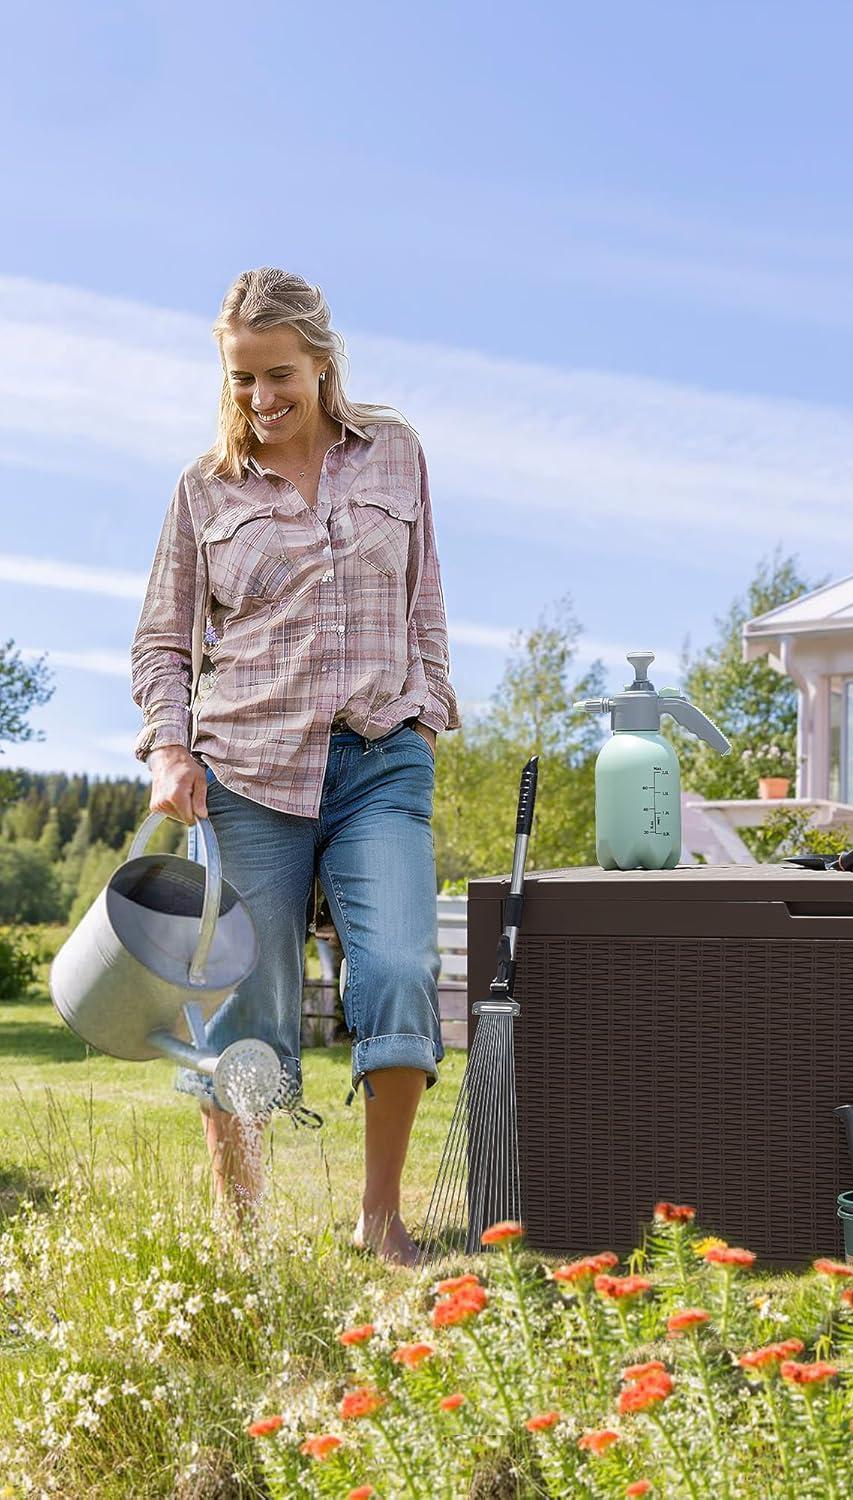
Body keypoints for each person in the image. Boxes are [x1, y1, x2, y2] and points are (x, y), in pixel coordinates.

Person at [130, 267, 458, 1264]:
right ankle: (246, 1240)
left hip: (377, 761)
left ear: (322, 362)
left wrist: (428, 713)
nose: (262, 400)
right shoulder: (204, 490)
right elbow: (163, 644)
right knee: (247, 1002)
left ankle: (382, 1216)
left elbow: (425, 600)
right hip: (248, 775)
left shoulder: (394, 455)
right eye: (242, 381)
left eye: (280, 376)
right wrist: (171, 746)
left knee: (400, 967)